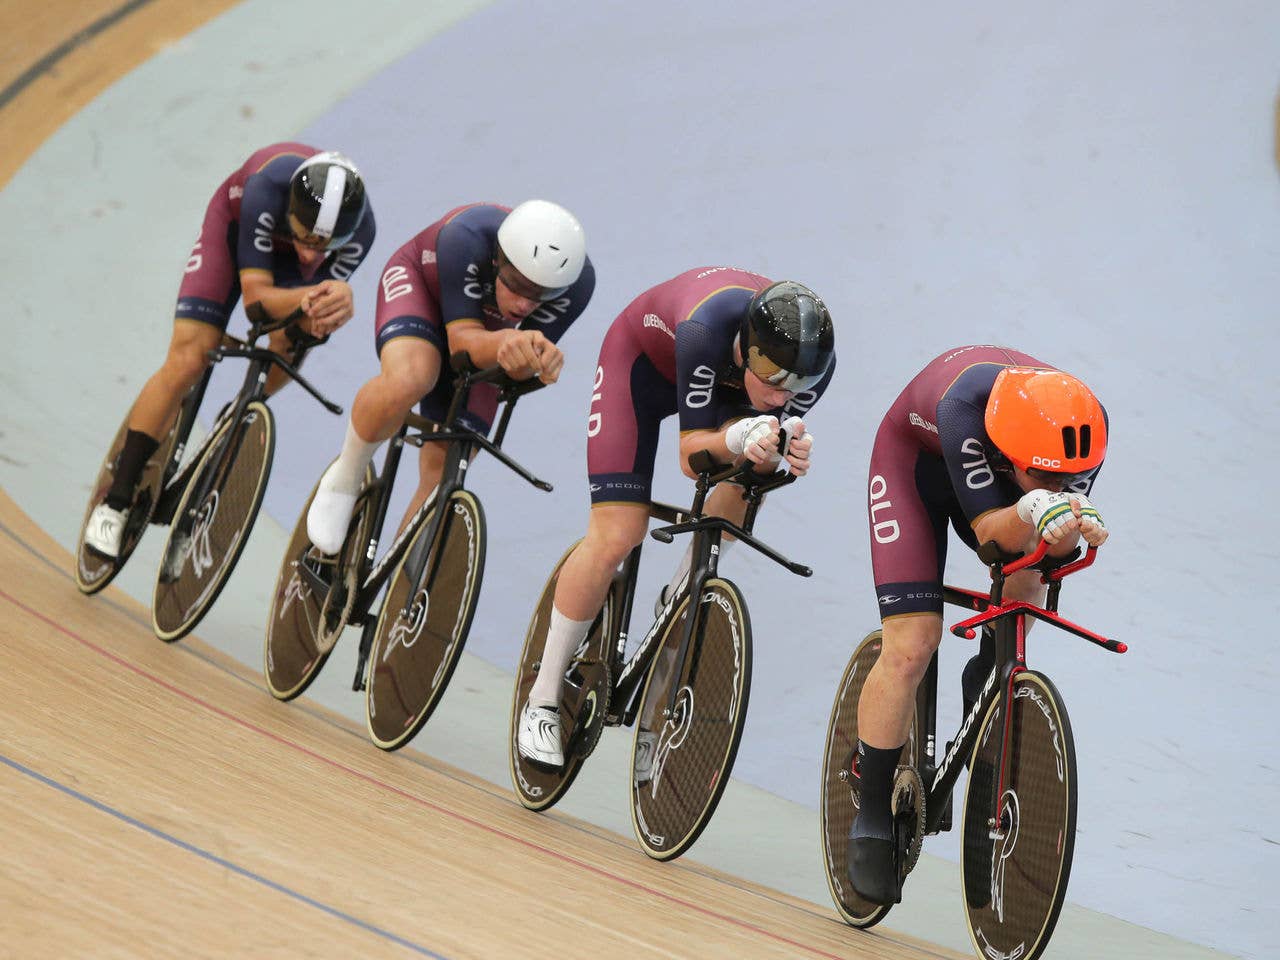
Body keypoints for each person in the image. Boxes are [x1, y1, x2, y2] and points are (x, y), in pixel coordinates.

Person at [515, 266, 837, 768]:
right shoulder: (703, 329)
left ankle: (682, 591)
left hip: (727, 392)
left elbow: (767, 431)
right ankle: (543, 698)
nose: (781, 396)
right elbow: (691, 459)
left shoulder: (805, 368)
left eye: (797, 387)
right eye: (773, 379)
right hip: (641, 369)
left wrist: (783, 451)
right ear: (749, 348)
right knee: (619, 532)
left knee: (751, 478)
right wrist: (737, 439)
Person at [846, 344, 1109, 905]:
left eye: (1076, 478)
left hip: (1005, 481)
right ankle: (869, 815)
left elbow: (1049, 547)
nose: (1062, 485)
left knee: (1033, 578)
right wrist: (1034, 511)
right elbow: (994, 531)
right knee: (913, 643)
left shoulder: (1085, 428)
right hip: (913, 466)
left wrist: (1067, 518)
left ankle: (988, 684)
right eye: (1045, 476)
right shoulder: (961, 406)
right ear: (1012, 453)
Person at [82, 143, 376, 558]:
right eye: (306, 236)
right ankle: (115, 501)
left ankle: (236, 416)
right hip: (236, 228)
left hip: (289, 270)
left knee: (292, 343)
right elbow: (257, 303)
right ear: (291, 209)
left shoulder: (361, 232)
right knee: (190, 356)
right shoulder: (266, 188)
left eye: (327, 244)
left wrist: (330, 312)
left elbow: (309, 316)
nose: (313, 252)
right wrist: (317, 295)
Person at [305, 200, 595, 553]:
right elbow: (461, 345)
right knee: (413, 376)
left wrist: (535, 362)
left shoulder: (577, 284)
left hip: (487, 331)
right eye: (517, 283)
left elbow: (512, 370)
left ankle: (398, 587)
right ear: (498, 259)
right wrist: (510, 340)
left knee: (450, 463)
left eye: (542, 295)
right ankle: (345, 477)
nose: (523, 305)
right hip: (422, 289)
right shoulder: (466, 235)